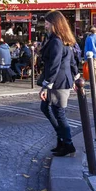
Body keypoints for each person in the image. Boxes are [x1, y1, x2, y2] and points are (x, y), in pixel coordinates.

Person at [39, 11, 79, 157]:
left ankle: (67, 143)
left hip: (58, 81)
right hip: (61, 80)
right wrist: (75, 75)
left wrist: (46, 85)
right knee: (48, 108)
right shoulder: (62, 39)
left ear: (55, 23)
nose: (45, 24)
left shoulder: (56, 40)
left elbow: (54, 64)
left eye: (48, 22)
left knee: (59, 113)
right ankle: (62, 141)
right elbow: (73, 60)